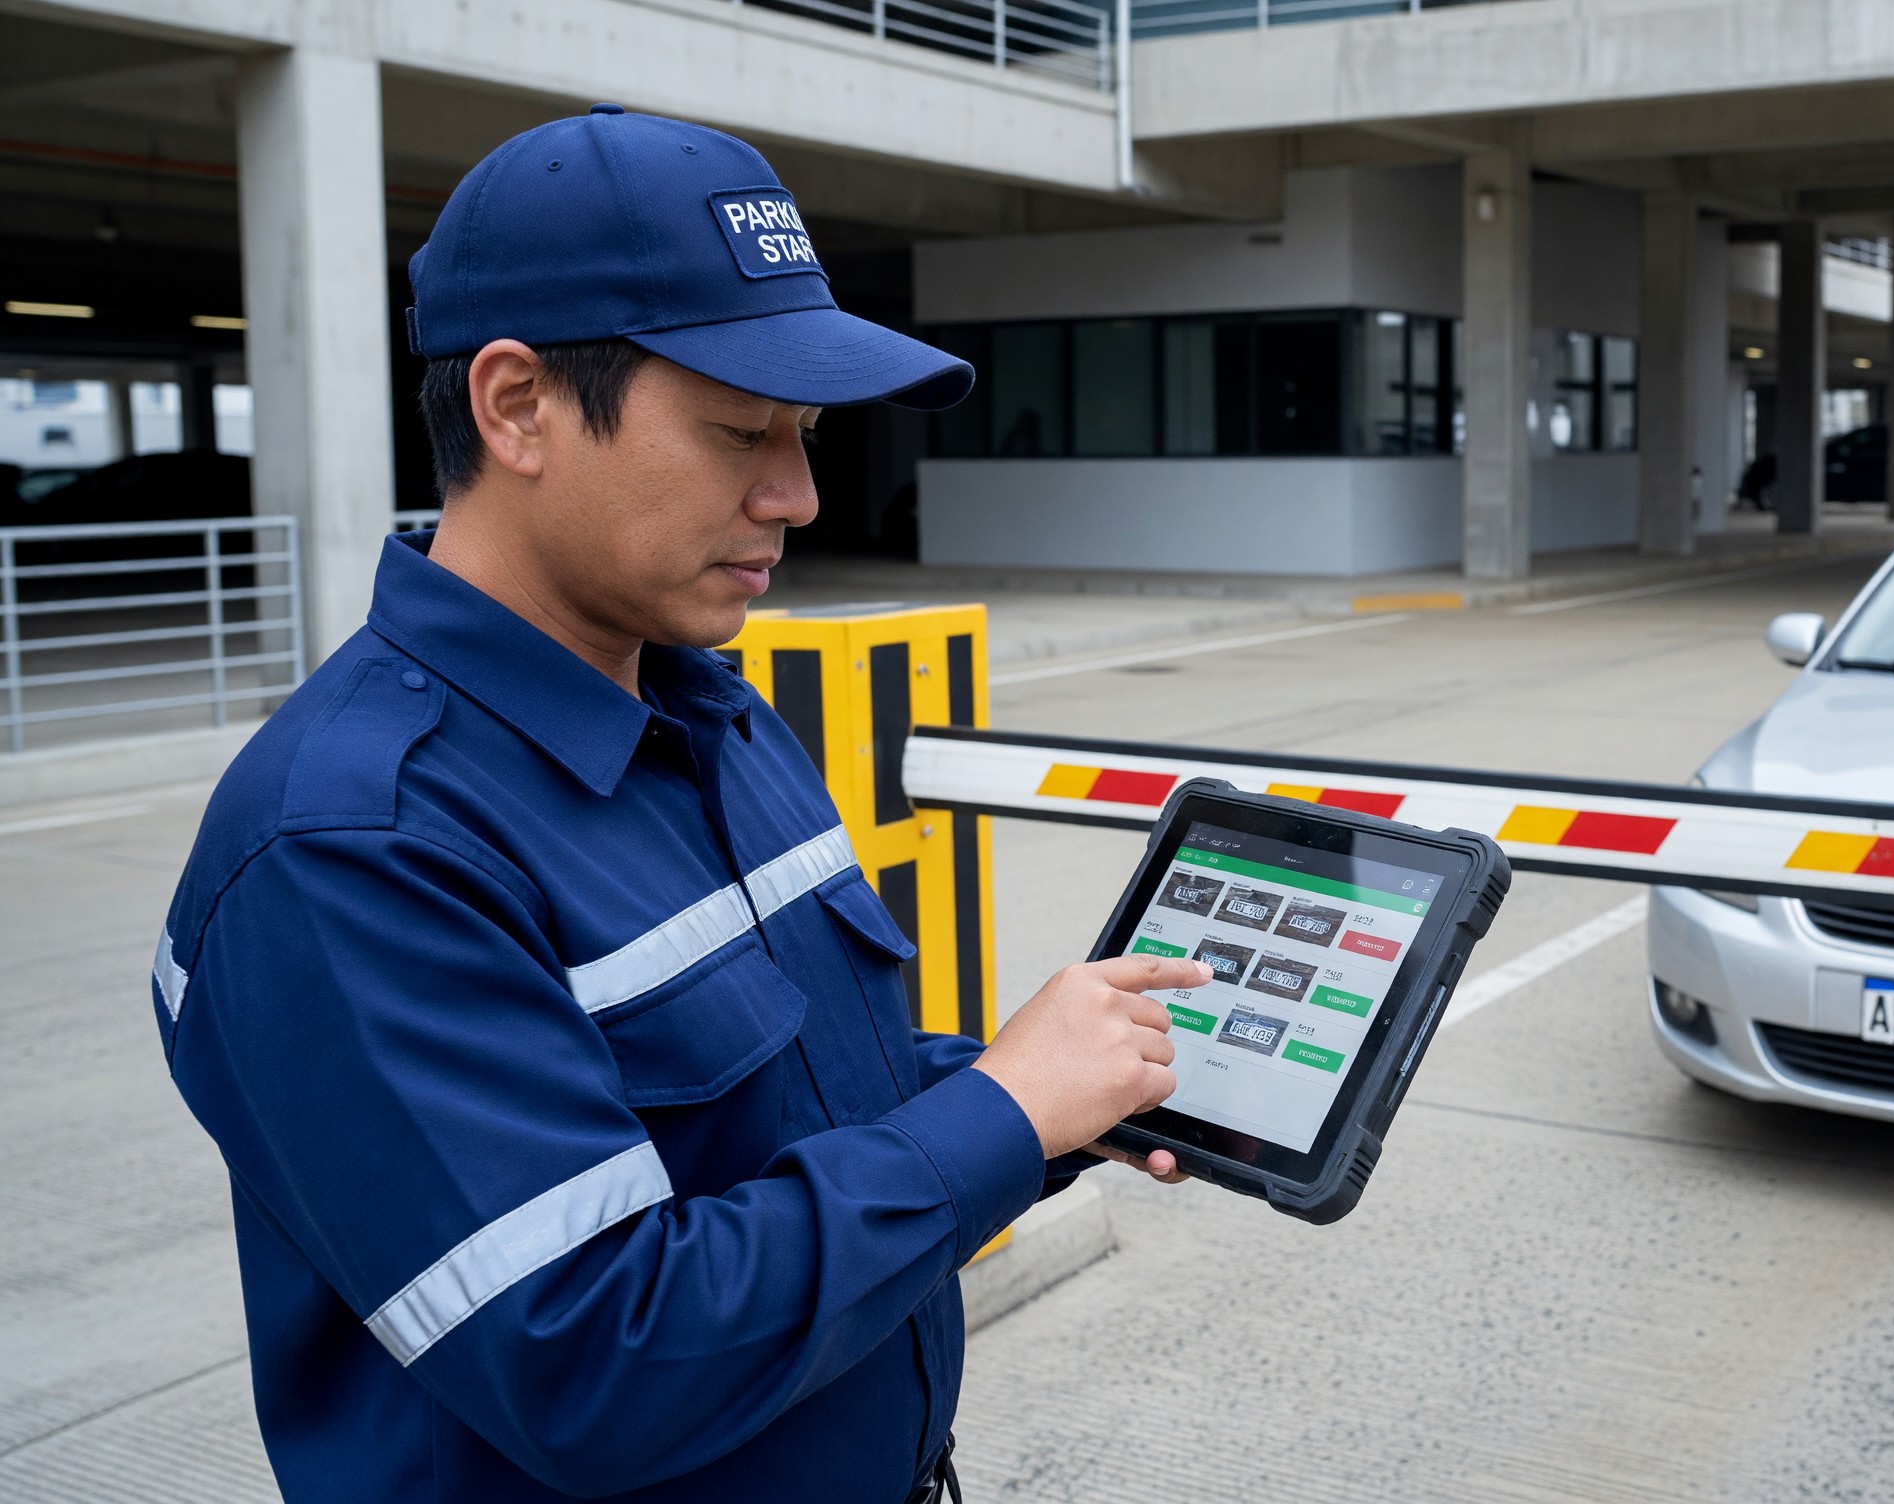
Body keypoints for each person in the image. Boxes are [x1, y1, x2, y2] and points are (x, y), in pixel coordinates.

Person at [149, 106, 1202, 1504]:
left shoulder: (711, 712)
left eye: (809, 432)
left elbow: (782, 1132)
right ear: (516, 405)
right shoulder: (352, 846)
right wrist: (1000, 1118)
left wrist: (1053, 1104)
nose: (801, 495)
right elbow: (592, 1359)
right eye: (737, 431)